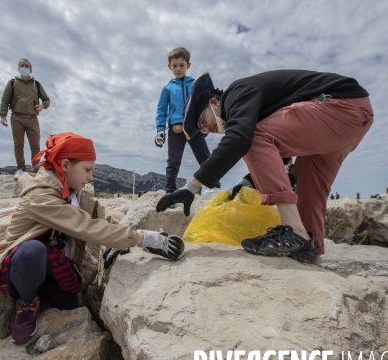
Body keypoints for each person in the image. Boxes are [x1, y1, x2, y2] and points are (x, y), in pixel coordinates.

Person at [0, 132, 182, 345]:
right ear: (64, 165)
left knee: (74, 313)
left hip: (54, 269)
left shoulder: (75, 192)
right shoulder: (40, 197)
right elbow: (86, 226)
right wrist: (144, 239)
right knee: (31, 251)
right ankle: (27, 302)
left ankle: (47, 295)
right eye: (87, 170)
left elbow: (102, 218)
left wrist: (119, 241)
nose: (91, 177)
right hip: (25, 269)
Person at [157, 70, 373, 265]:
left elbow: (242, 138)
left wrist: (192, 186)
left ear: (214, 102)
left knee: (253, 136)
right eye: (203, 131)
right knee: (310, 187)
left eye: (203, 123)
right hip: (352, 117)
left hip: (338, 106)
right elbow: (278, 158)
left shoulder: (236, 92)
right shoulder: (255, 107)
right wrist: (246, 183)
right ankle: (311, 255)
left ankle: (293, 231)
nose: (208, 130)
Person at [154, 47, 218, 207]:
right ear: (169, 67)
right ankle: (169, 193)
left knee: (205, 159)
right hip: (176, 130)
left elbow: (203, 106)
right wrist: (160, 130)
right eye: (174, 65)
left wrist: (205, 126)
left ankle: (214, 189)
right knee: (173, 162)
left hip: (194, 128)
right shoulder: (167, 88)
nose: (178, 69)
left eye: (181, 65)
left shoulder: (195, 85)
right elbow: (161, 110)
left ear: (188, 65)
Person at [0, 58, 50, 180]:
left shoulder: (36, 84)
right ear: (18, 68)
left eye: (26, 66)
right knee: (18, 144)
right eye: (22, 65)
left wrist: (42, 106)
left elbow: (47, 100)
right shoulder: (12, 83)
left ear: (31, 69)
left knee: (35, 145)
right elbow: (5, 100)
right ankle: (20, 168)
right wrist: (3, 115)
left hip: (32, 118)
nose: (24, 67)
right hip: (17, 116)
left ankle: (36, 168)